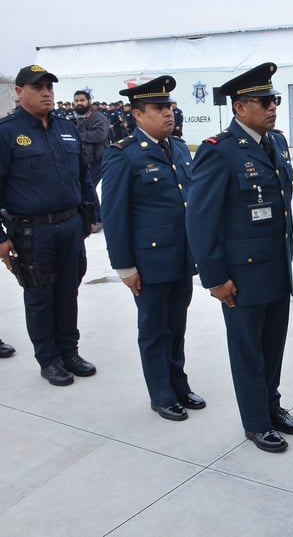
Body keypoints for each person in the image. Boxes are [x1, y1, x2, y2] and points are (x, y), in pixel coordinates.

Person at [186, 62, 293, 452]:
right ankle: (256, 422)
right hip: (241, 275)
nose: (273, 107)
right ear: (240, 108)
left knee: (273, 346)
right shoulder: (218, 152)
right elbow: (200, 220)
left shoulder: (277, 144)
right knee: (247, 351)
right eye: (262, 102)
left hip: (276, 267)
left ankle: (272, 407)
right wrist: (214, 278)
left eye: (273, 100)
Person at [101, 75, 205, 422]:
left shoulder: (177, 148)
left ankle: (179, 383)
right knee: (154, 329)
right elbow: (114, 217)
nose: (168, 114)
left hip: (181, 258)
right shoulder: (123, 156)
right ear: (137, 115)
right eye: (158, 109)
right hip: (149, 262)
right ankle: (160, 394)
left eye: (169, 107)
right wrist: (125, 268)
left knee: (177, 326)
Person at [0, 65, 98, 386]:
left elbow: (83, 176)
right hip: (32, 231)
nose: (46, 92)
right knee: (40, 295)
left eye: (50, 87)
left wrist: (88, 216)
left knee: (69, 292)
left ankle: (70, 352)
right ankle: (49, 358)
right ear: (19, 92)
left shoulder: (66, 128)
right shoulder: (7, 132)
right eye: (37, 87)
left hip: (70, 225)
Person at [73, 90, 110, 233]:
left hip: (98, 160)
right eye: (76, 100)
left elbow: (100, 135)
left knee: (88, 188)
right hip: (85, 159)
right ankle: (95, 217)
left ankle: (98, 219)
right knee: (87, 188)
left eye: (82, 100)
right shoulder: (79, 118)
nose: (79, 103)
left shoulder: (97, 117)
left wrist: (79, 136)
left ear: (89, 101)